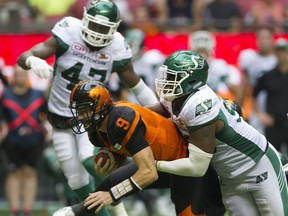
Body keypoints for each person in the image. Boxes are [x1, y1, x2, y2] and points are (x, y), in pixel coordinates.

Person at [17, 0, 158, 215]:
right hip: (59, 118)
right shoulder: (69, 32)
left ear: (115, 27)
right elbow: (24, 56)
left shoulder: (117, 45)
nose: (98, 33)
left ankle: (119, 208)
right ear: (84, 20)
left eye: (104, 28)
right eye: (95, 25)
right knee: (75, 179)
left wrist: (158, 110)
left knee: (89, 159)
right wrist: (32, 61)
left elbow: (135, 83)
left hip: (93, 116)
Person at [53, 80, 225, 216]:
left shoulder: (121, 120)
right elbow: (124, 151)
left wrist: (112, 195)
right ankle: (77, 212)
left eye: (85, 111)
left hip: (184, 160)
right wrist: (111, 156)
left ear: (100, 107)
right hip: (158, 161)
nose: (80, 116)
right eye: (78, 111)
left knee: (189, 212)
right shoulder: (97, 132)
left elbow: (148, 173)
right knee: (109, 183)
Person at [148, 50, 288, 215]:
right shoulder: (176, 98)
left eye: (172, 77)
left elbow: (197, 166)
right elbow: (148, 116)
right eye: (167, 76)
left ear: (191, 79)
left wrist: (154, 164)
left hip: (258, 168)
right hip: (229, 178)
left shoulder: (201, 105)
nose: (167, 81)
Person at [0, 65, 48, 216]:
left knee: (30, 172)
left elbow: (46, 116)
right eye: (17, 74)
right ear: (13, 76)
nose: (20, 77)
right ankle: (14, 210)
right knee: (14, 173)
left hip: (35, 140)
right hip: (12, 141)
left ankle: (27, 210)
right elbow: (2, 119)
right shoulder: (5, 95)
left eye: (23, 74)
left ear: (27, 76)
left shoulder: (38, 95)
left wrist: (46, 130)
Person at [237, 25, 277, 133]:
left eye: (267, 38)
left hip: (277, 104)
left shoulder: (279, 59)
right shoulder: (249, 57)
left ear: (272, 39)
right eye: (261, 38)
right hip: (256, 104)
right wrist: (237, 110)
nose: (264, 41)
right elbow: (243, 86)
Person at [252, 38, 288, 154]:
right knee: (274, 155)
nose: (281, 55)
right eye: (278, 52)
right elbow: (254, 94)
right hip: (273, 123)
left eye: (284, 52)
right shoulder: (268, 75)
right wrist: (260, 114)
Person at [188, 30, 242, 105]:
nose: (201, 56)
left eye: (203, 51)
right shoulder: (187, 67)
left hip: (213, 109)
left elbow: (237, 91)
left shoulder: (217, 66)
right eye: (199, 51)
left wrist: (233, 110)